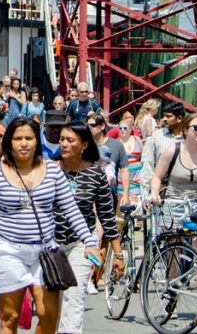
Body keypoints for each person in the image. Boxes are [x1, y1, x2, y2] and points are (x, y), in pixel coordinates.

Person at [0, 117, 101, 334]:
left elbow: (72, 210)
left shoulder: (53, 172)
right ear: (9, 142)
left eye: (29, 138)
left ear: (38, 141)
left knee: (48, 315)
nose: (23, 143)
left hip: (45, 252)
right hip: (7, 250)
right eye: (18, 139)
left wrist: (90, 243)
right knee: (10, 316)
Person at [54, 122, 120, 334]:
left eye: (70, 140)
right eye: (62, 139)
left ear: (83, 145)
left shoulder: (95, 174)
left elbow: (107, 216)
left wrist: (118, 253)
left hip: (82, 243)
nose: (64, 144)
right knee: (50, 302)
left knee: (73, 296)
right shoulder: (49, 169)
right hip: (50, 243)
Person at [150, 112, 197, 230]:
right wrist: (154, 193)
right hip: (174, 204)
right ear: (185, 130)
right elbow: (157, 176)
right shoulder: (173, 150)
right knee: (175, 241)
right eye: (196, 127)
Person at [139, 103, 185, 201]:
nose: (164, 119)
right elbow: (148, 166)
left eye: (168, 116)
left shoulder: (189, 138)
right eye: (164, 116)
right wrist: (146, 195)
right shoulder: (156, 137)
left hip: (184, 194)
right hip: (160, 193)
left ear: (179, 118)